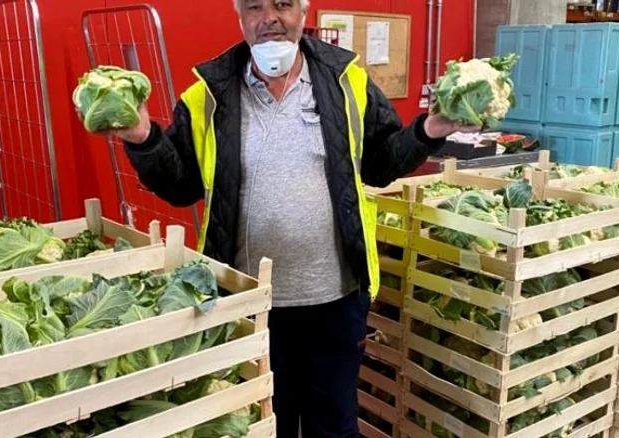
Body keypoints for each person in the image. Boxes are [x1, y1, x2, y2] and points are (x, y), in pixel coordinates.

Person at [85, 0, 478, 435]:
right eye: (255, 6)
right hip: (250, 303)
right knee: (267, 422)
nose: (270, 17)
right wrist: (143, 138)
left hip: (337, 296)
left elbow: (381, 163)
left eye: (284, 4)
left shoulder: (347, 81)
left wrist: (430, 130)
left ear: (303, 13)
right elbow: (181, 187)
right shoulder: (207, 95)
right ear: (240, 18)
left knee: (335, 424)